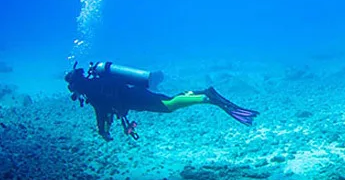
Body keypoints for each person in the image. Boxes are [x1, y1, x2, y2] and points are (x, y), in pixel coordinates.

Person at [65, 61, 259, 141]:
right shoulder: (96, 84)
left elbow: (102, 113)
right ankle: (203, 94)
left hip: (136, 97)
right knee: (169, 101)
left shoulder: (92, 91)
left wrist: (103, 131)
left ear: (77, 86)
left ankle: (206, 97)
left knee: (168, 105)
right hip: (135, 93)